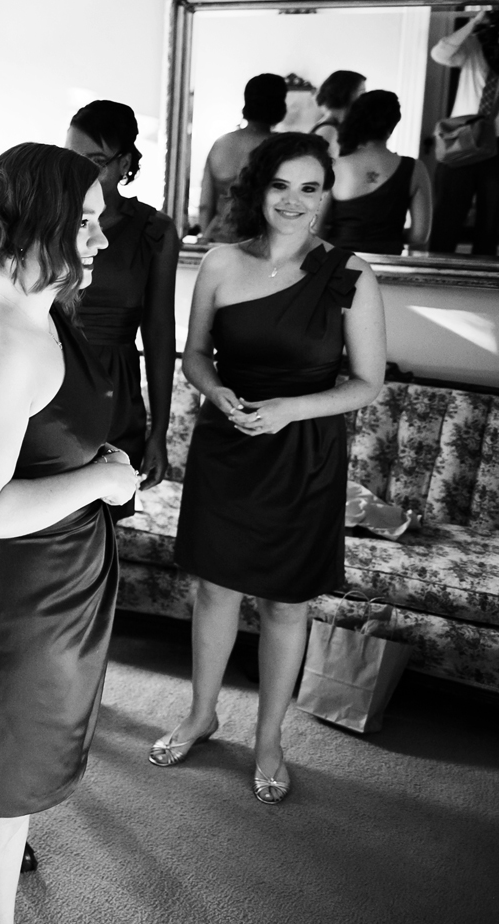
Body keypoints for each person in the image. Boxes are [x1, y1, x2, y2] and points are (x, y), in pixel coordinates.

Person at [0, 143, 138, 924]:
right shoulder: (3, 343)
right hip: (5, 609)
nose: (100, 240)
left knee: (15, 806)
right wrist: (103, 481)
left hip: (53, 594)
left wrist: (91, 460)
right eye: (85, 223)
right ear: (40, 223)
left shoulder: (42, 314)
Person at [154, 133, 385, 805]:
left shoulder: (351, 273)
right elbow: (195, 353)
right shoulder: (222, 261)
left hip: (302, 453)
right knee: (215, 590)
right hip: (227, 444)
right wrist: (213, 389)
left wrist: (291, 409)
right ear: (259, 187)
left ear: (325, 196)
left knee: (288, 603)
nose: (294, 200)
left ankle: (269, 738)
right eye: (282, 184)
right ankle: (201, 713)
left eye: (310, 187)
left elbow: (367, 382)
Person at [67, 99, 180, 509]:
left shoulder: (155, 232)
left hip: (115, 392)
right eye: (71, 157)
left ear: (125, 162)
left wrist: (158, 431)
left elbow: (160, 337)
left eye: (94, 160)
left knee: (102, 519)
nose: (79, 171)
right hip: (50, 381)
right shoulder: (50, 222)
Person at [321, 90, 431, 254]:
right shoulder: (416, 169)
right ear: (393, 124)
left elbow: (315, 227)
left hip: (339, 263)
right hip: (389, 260)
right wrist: (386, 239)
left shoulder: (335, 167)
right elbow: (419, 236)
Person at [427, 8, 499, 256]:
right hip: (462, 139)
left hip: (497, 147)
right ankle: (437, 269)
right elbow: (439, 52)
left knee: (492, 221)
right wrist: (475, 22)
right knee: (447, 213)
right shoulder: (473, 48)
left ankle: (481, 280)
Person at [199, 74, 287, 242]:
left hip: (219, 238)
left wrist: (205, 237)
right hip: (259, 242)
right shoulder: (279, 147)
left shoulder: (221, 143)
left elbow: (205, 204)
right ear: (279, 104)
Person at [310, 69, 367, 153]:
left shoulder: (338, 126)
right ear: (346, 93)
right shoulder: (328, 130)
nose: (365, 97)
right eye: (362, 92)